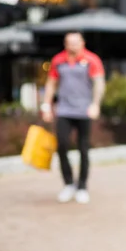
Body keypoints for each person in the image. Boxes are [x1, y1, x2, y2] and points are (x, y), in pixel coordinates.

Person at [42, 31, 105, 204]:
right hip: (64, 110)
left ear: (82, 43)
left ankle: (82, 186)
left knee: (83, 148)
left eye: (76, 42)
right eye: (69, 43)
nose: (73, 46)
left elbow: (99, 83)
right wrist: (46, 105)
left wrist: (95, 104)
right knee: (62, 145)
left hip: (84, 110)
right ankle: (69, 183)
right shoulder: (58, 61)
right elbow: (51, 84)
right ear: (65, 44)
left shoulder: (92, 60)